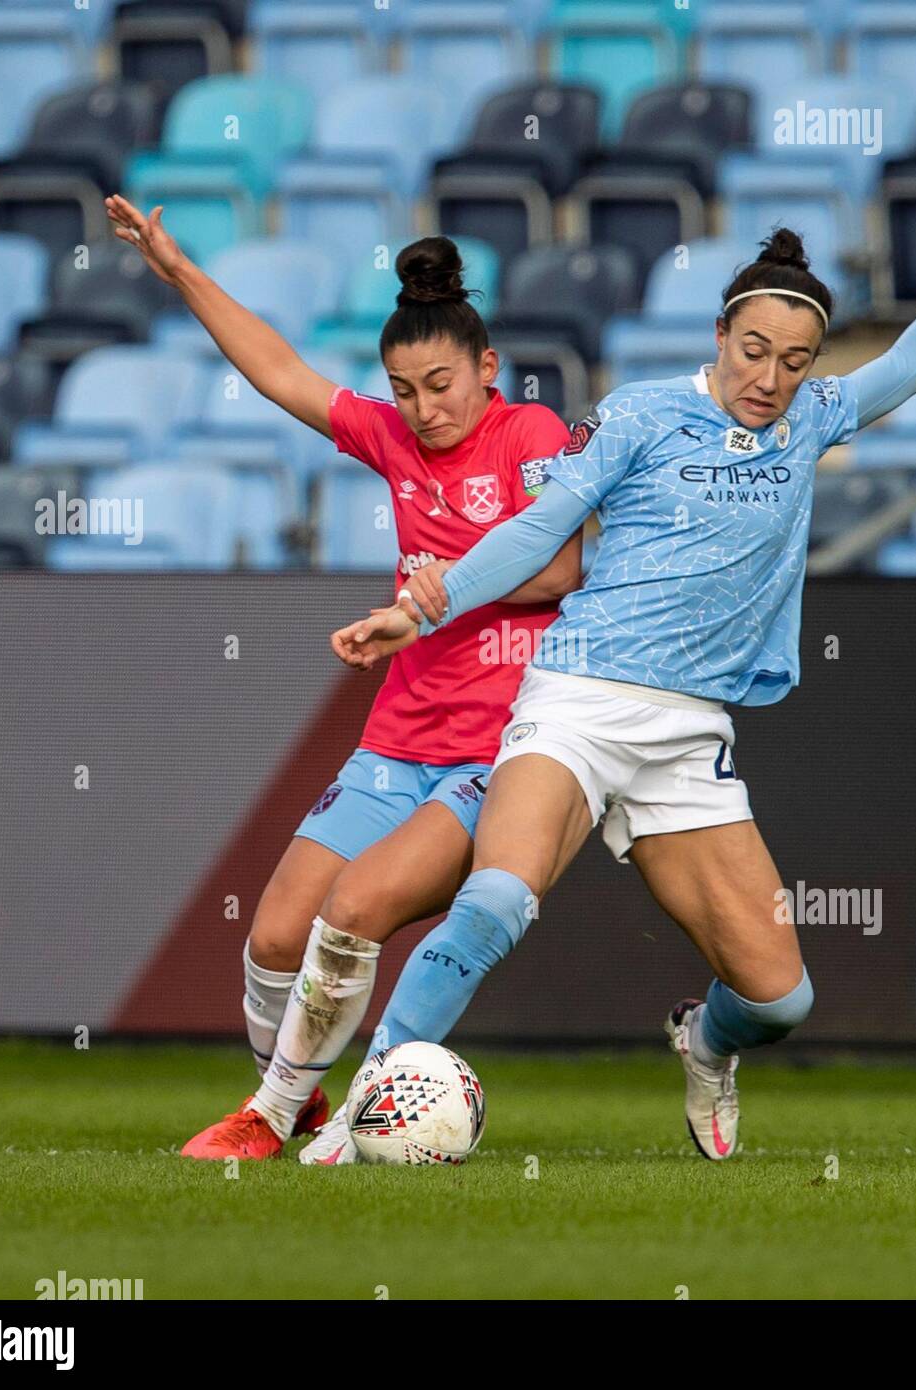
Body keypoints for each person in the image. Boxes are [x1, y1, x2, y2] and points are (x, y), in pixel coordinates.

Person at [332, 160, 916, 1159]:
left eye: (793, 360)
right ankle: (370, 1100)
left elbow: (911, 367)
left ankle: (703, 1046)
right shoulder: (640, 414)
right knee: (496, 896)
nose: (768, 377)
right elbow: (540, 532)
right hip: (575, 695)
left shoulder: (814, 418)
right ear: (718, 336)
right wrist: (421, 606)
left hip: (687, 732)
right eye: (753, 351)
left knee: (778, 997)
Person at [103, 197, 581, 1160]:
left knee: (353, 910)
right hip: (397, 741)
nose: (424, 409)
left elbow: (567, 570)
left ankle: (270, 1118)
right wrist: (180, 270)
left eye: (442, 384)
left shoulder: (530, 433)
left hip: (498, 754)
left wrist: (437, 598)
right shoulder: (394, 441)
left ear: (487, 370)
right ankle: (304, 1101)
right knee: (275, 936)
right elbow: (279, 371)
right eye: (404, 390)